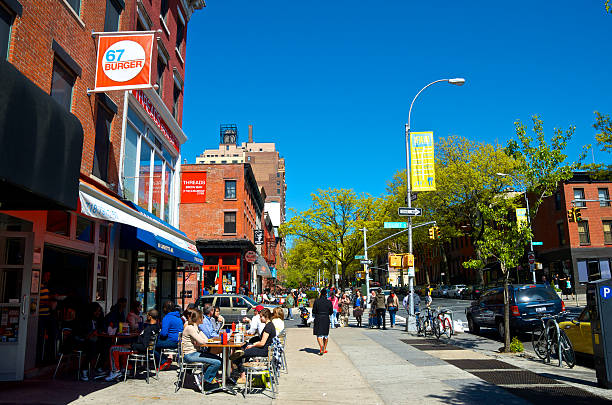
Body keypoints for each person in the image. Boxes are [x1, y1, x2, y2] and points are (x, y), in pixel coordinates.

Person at [106, 308, 160, 381]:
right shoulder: (156, 327)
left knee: (113, 349)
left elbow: (144, 346)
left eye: (147, 315)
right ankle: (126, 369)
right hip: (142, 348)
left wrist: (131, 345)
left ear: (150, 317)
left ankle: (115, 371)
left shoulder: (148, 329)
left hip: (138, 350)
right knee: (122, 345)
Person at [230, 308, 276, 384]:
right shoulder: (270, 325)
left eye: (261, 316)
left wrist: (252, 346)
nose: (260, 318)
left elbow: (262, 343)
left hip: (264, 351)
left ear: (266, 316)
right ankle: (242, 366)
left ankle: (242, 376)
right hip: (265, 349)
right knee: (245, 347)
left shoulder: (268, 327)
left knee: (240, 355)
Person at [182, 308, 222, 391]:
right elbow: (201, 342)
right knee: (216, 362)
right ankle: (206, 382)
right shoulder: (190, 328)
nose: (203, 319)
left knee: (219, 359)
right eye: (202, 317)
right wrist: (205, 341)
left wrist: (205, 340)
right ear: (198, 318)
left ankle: (206, 378)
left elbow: (205, 339)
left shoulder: (196, 327)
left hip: (196, 353)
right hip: (190, 355)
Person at [78, 302, 106, 381]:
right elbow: (81, 333)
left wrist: (99, 332)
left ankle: (98, 367)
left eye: (99, 311)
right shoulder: (84, 320)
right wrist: (90, 334)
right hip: (82, 342)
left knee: (106, 345)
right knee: (92, 347)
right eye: (96, 311)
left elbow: (102, 329)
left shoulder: (99, 319)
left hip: (94, 340)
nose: (98, 313)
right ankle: (84, 370)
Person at [156, 301, 183, 370]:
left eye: (163, 308)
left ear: (166, 309)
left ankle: (163, 362)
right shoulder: (178, 317)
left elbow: (164, 334)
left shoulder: (167, 317)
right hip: (179, 341)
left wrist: (159, 335)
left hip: (171, 341)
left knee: (152, 346)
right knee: (158, 345)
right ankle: (166, 360)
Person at [312, 289, 333, 355]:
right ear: (326, 294)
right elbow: (331, 312)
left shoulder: (317, 301)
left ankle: (321, 346)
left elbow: (314, 311)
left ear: (320, 293)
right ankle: (324, 348)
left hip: (318, 318)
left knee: (319, 334)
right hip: (326, 318)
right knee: (326, 335)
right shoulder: (329, 302)